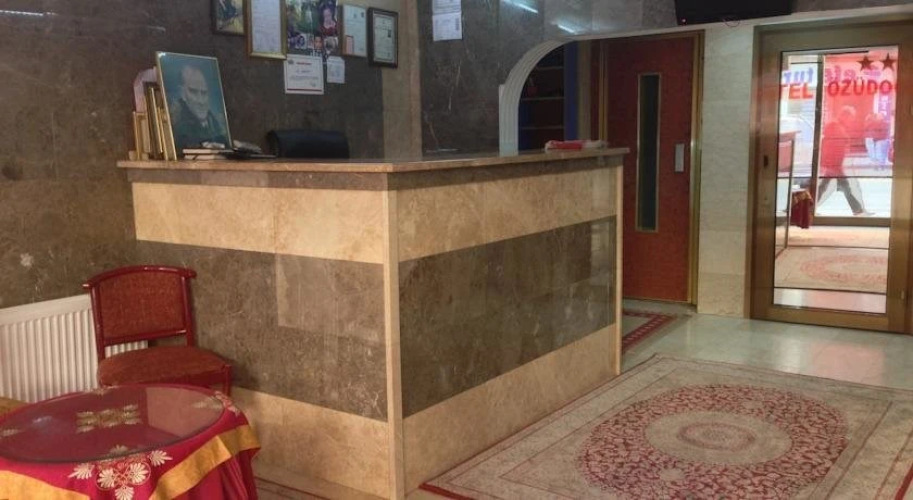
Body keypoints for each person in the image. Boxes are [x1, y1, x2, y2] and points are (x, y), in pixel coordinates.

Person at [817, 105, 873, 216]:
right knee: (845, 187)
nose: (851, 121)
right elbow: (831, 147)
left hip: (834, 163)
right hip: (834, 164)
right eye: (851, 118)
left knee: (824, 186)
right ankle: (858, 210)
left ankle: (808, 207)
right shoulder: (835, 127)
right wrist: (832, 164)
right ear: (845, 116)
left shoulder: (837, 126)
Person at [169, 65, 229, 152]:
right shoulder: (177, 126)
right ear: (182, 93)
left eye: (204, 93)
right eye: (193, 92)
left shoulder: (217, 124)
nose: (201, 101)